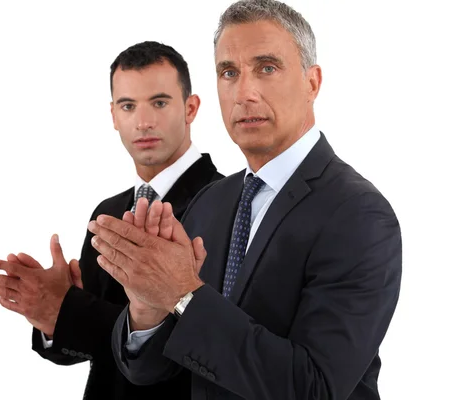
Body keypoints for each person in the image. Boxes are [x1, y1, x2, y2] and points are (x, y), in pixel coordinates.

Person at [86, 1, 402, 399]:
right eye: (229, 73)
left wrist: (183, 295)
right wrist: (148, 309)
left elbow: (315, 389)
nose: (244, 92)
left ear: (312, 83)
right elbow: (154, 371)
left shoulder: (360, 215)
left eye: (267, 68)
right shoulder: (211, 201)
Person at [0, 41, 223, 399]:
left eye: (159, 102)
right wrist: (48, 317)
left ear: (190, 108)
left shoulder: (227, 202)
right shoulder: (107, 212)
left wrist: (67, 310)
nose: (143, 121)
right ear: (113, 116)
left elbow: (200, 343)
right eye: (128, 105)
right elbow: (90, 347)